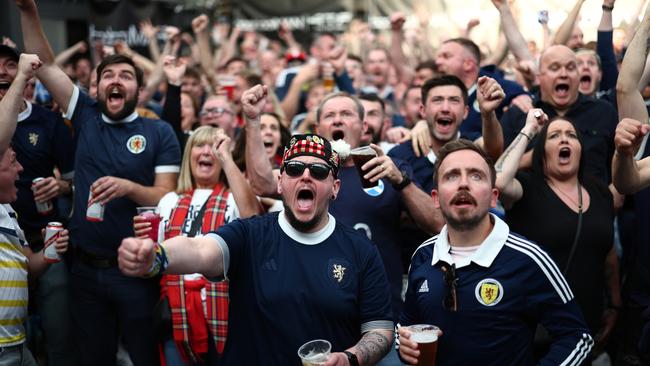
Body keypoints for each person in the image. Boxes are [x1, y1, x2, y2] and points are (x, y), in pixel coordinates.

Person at [118, 131, 394, 366]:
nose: (306, 177)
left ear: (334, 188)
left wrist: (351, 357)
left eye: (319, 172)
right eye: (295, 170)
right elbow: (199, 249)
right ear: (280, 183)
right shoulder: (250, 233)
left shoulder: (361, 250)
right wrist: (156, 257)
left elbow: (380, 331)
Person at [15, 1, 182, 364]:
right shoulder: (85, 115)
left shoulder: (158, 132)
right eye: (108, 76)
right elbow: (45, 64)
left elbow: (168, 194)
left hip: (136, 272)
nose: (116, 81)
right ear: (97, 88)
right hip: (85, 270)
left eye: (126, 75)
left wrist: (128, 188)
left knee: (144, 356)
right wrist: (28, 11)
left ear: (139, 89)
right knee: (94, 357)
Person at [398, 139, 593, 366]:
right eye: (451, 176)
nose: (463, 184)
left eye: (475, 175)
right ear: (436, 198)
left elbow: (578, 337)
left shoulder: (529, 259)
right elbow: (405, 328)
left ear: (493, 197)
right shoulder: (423, 256)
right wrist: (403, 345)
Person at [495, 109, 620, 358]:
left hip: (586, 329)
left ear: (580, 148)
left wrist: (615, 304)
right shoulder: (527, 188)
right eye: (554, 136)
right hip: (533, 330)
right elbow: (497, 180)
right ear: (540, 153)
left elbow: (608, 253)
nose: (564, 140)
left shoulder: (600, 192)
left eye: (571, 135)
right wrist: (530, 129)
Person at [134, 126, 261, 365]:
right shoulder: (169, 202)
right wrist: (143, 242)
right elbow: (154, 261)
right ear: (189, 155)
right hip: (176, 311)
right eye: (199, 145)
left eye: (213, 147)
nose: (207, 151)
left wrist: (227, 159)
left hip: (225, 310)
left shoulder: (234, 198)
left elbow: (253, 218)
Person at [0, 43, 76, 365]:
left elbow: (76, 179)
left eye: (9, 65)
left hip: (39, 239)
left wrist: (60, 185)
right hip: (7, 242)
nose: (3, 72)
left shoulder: (47, 121)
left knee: (56, 333)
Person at [500, 45, 618, 185]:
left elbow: (621, 161)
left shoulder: (604, 112)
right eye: (554, 68)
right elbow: (499, 171)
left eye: (570, 68)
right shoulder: (519, 113)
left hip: (596, 204)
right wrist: (537, 153)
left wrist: (617, 192)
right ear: (539, 77)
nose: (563, 74)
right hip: (532, 205)